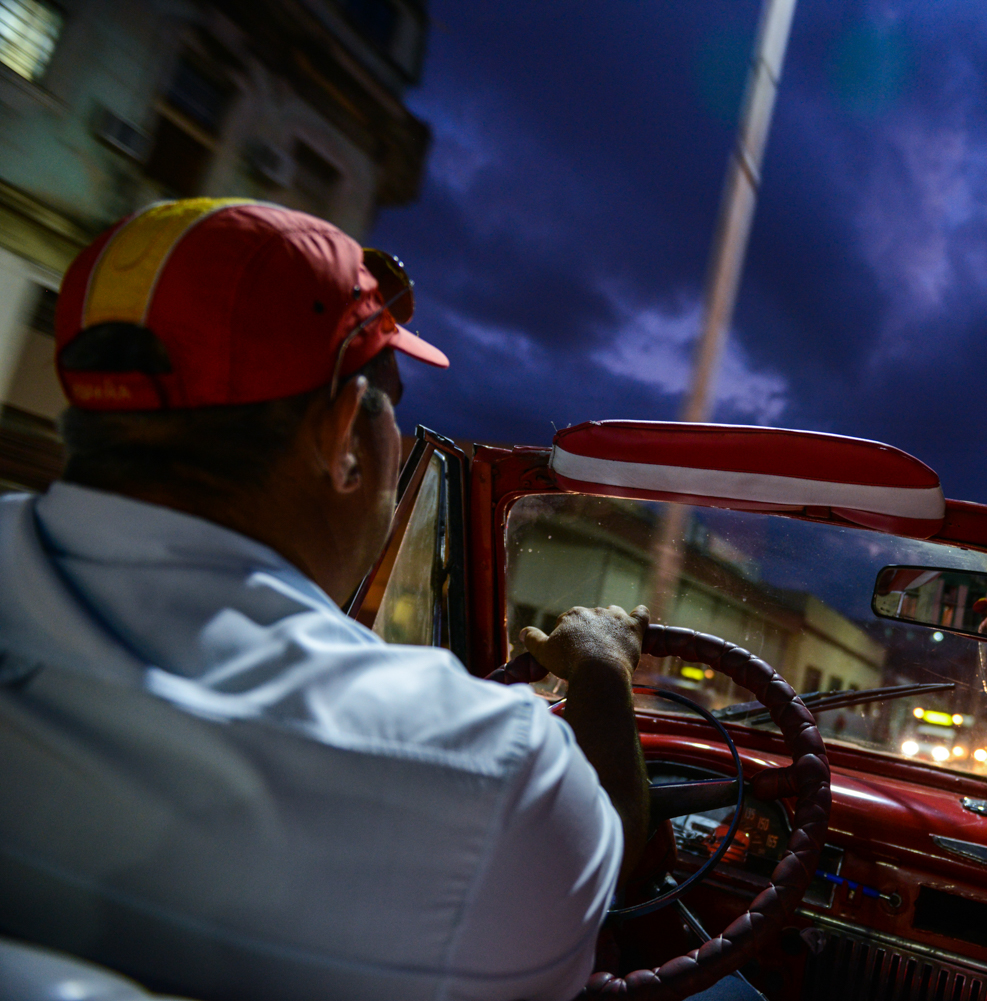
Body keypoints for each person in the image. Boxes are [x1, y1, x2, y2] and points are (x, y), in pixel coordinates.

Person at [0, 200, 653, 1001]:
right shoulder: (486, 775)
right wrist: (602, 671)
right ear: (344, 436)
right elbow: (604, 869)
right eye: (397, 408)